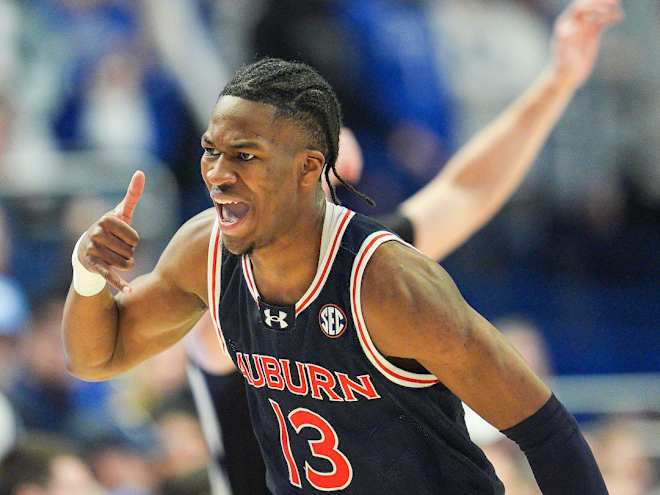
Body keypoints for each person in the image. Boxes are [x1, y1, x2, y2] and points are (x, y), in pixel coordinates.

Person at [62, 3, 621, 495]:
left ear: (313, 175)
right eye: (213, 151)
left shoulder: (387, 280)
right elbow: (96, 355)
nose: (219, 175)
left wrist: (558, 82)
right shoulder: (211, 258)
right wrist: (86, 274)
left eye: (246, 157)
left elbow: (546, 430)